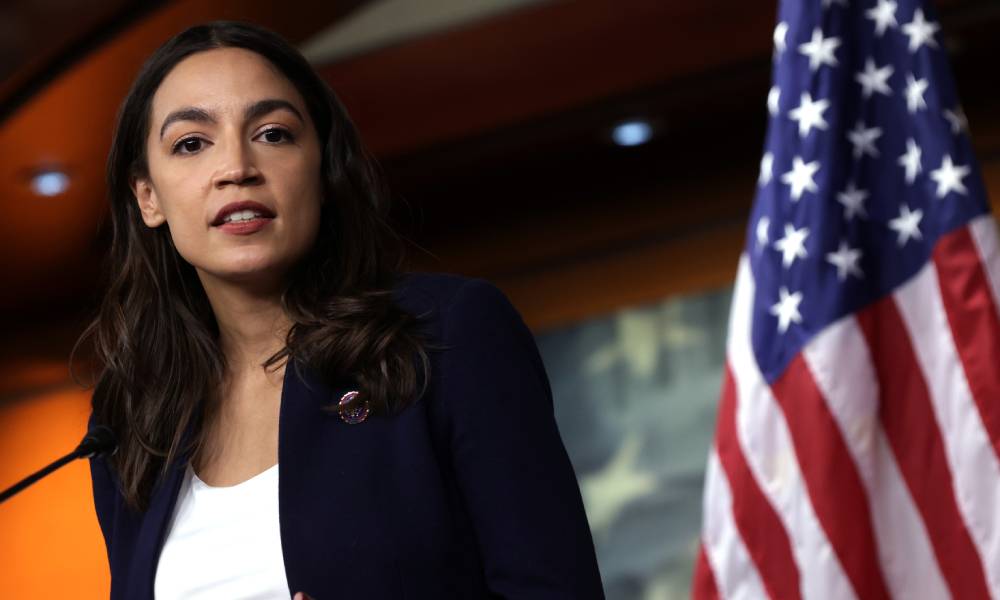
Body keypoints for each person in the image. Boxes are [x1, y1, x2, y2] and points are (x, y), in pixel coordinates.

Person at [73, 19, 605, 600]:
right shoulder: (130, 419)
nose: (236, 167)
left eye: (273, 133)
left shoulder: (448, 332)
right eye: (192, 144)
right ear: (148, 197)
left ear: (322, 168)